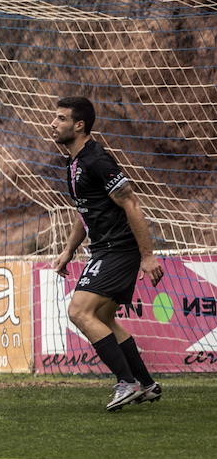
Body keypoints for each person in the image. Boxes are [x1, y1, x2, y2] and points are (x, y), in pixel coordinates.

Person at [48, 96, 163, 411]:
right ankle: (146, 384)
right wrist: (68, 252)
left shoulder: (97, 160)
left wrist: (148, 256)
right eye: (54, 118)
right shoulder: (74, 162)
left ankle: (126, 383)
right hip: (104, 248)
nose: (53, 123)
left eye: (60, 118)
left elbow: (131, 203)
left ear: (79, 124)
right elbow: (84, 212)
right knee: (101, 317)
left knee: (79, 312)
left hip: (118, 249)